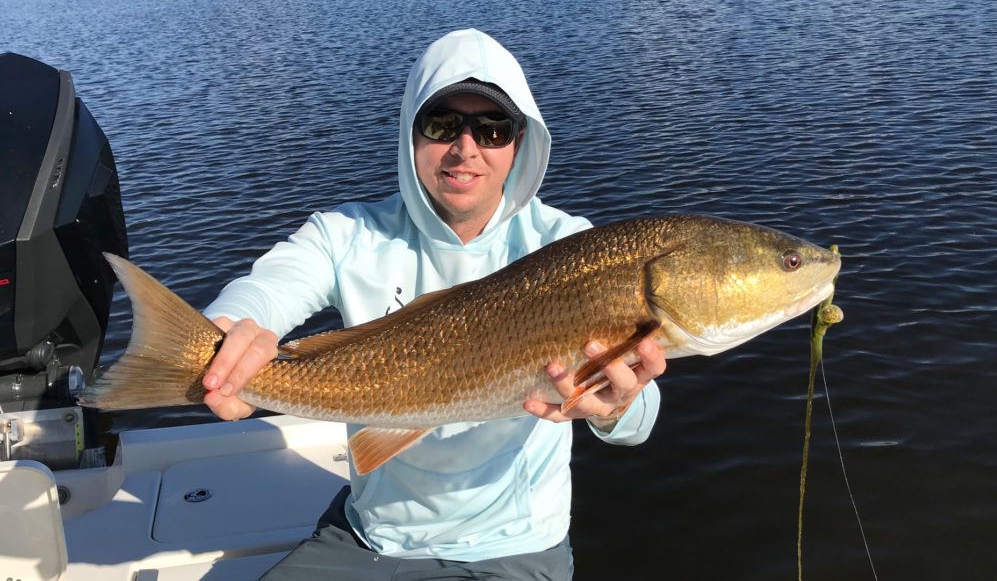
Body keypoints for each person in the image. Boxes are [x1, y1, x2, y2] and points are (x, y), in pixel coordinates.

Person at [200, 29, 665, 580]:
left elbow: (639, 421)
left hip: (513, 545)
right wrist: (226, 331)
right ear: (410, 134)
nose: (465, 149)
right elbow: (270, 287)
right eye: (442, 125)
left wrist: (614, 407)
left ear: (520, 143)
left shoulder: (569, 248)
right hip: (369, 534)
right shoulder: (346, 234)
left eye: (493, 129)